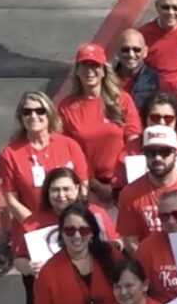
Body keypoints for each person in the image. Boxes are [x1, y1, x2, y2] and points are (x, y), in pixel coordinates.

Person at [11, 167, 93, 304]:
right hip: (48, 292)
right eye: (55, 190)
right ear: (47, 193)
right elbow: (18, 259)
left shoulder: (94, 214)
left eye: (66, 189)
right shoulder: (31, 223)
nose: (61, 195)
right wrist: (28, 267)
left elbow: (117, 241)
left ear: (78, 189)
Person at [60, 43, 142, 200]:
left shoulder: (122, 99)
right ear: (77, 70)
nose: (90, 71)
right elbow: (69, 150)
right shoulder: (67, 107)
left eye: (95, 66)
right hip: (87, 185)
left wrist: (121, 178)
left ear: (104, 71)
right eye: (84, 65)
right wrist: (95, 184)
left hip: (123, 181)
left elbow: (133, 139)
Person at [0, 91, 89, 227]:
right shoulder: (10, 153)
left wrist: (70, 221)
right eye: (27, 112)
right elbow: (11, 199)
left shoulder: (70, 145)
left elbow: (83, 187)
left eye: (40, 111)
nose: (33, 116)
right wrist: (37, 226)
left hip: (71, 225)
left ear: (49, 114)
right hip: (32, 226)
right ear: (21, 117)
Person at [115, 124, 177, 250]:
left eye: (164, 152)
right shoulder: (129, 194)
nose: (157, 158)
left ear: (176, 154)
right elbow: (131, 241)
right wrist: (151, 264)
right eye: (150, 152)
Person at [113, 28, 162, 113]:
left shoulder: (155, 80)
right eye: (125, 50)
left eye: (136, 50)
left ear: (145, 52)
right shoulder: (106, 79)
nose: (131, 54)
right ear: (117, 52)